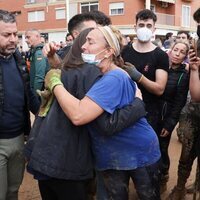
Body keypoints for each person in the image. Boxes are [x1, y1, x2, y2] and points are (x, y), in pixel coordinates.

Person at [24, 28, 147, 200]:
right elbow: (80, 104)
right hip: (67, 161)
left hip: (59, 159)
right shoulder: (93, 72)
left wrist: (138, 105)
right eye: (84, 39)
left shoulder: (108, 76)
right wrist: (138, 104)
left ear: (109, 50)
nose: (83, 46)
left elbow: (91, 118)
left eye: (90, 41)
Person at [121, 9, 169, 192]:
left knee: (148, 160)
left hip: (150, 113)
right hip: (124, 111)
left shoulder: (160, 56)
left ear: (154, 29)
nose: (144, 28)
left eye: (149, 25)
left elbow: (159, 88)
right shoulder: (124, 52)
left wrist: (138, 76)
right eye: (141, 25)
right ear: (135, 26)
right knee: (125, 153)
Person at [0, 9, 39, 200]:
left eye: (15, 34)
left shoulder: (17, 57)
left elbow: (27, 93)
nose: (14, 39)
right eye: (7, 35)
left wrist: (42, 112)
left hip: (18, 138)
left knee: (13, 190)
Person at [167, 8, 200, 200]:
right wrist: (193, 68)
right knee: (185, 154)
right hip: (193, 110)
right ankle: (179, 187)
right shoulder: (196, 43)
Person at [156, 41, 190, 192]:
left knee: (162, 148)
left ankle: (163, 176)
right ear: (170, 50)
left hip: (166, 117)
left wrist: (169, 124)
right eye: (175, 49)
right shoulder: (160, 68)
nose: (177, 53)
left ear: (185, 56)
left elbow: (179, 103)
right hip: (151, 115)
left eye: (182, 52)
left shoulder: (184, 76)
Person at [43, 11, 111, 68]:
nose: (96, 32)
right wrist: (51, 55)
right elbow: (59, 70)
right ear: (76, 34)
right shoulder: (63, 54)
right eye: (91, 29)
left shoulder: (104, 52)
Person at [25, 29, 49, 96]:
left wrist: (35, 96)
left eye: (28, 37)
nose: (26, 40)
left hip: (38, 92)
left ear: (37, 36)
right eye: (25, 38)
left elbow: (39, 77)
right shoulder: (34, 51)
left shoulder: (39, 53)